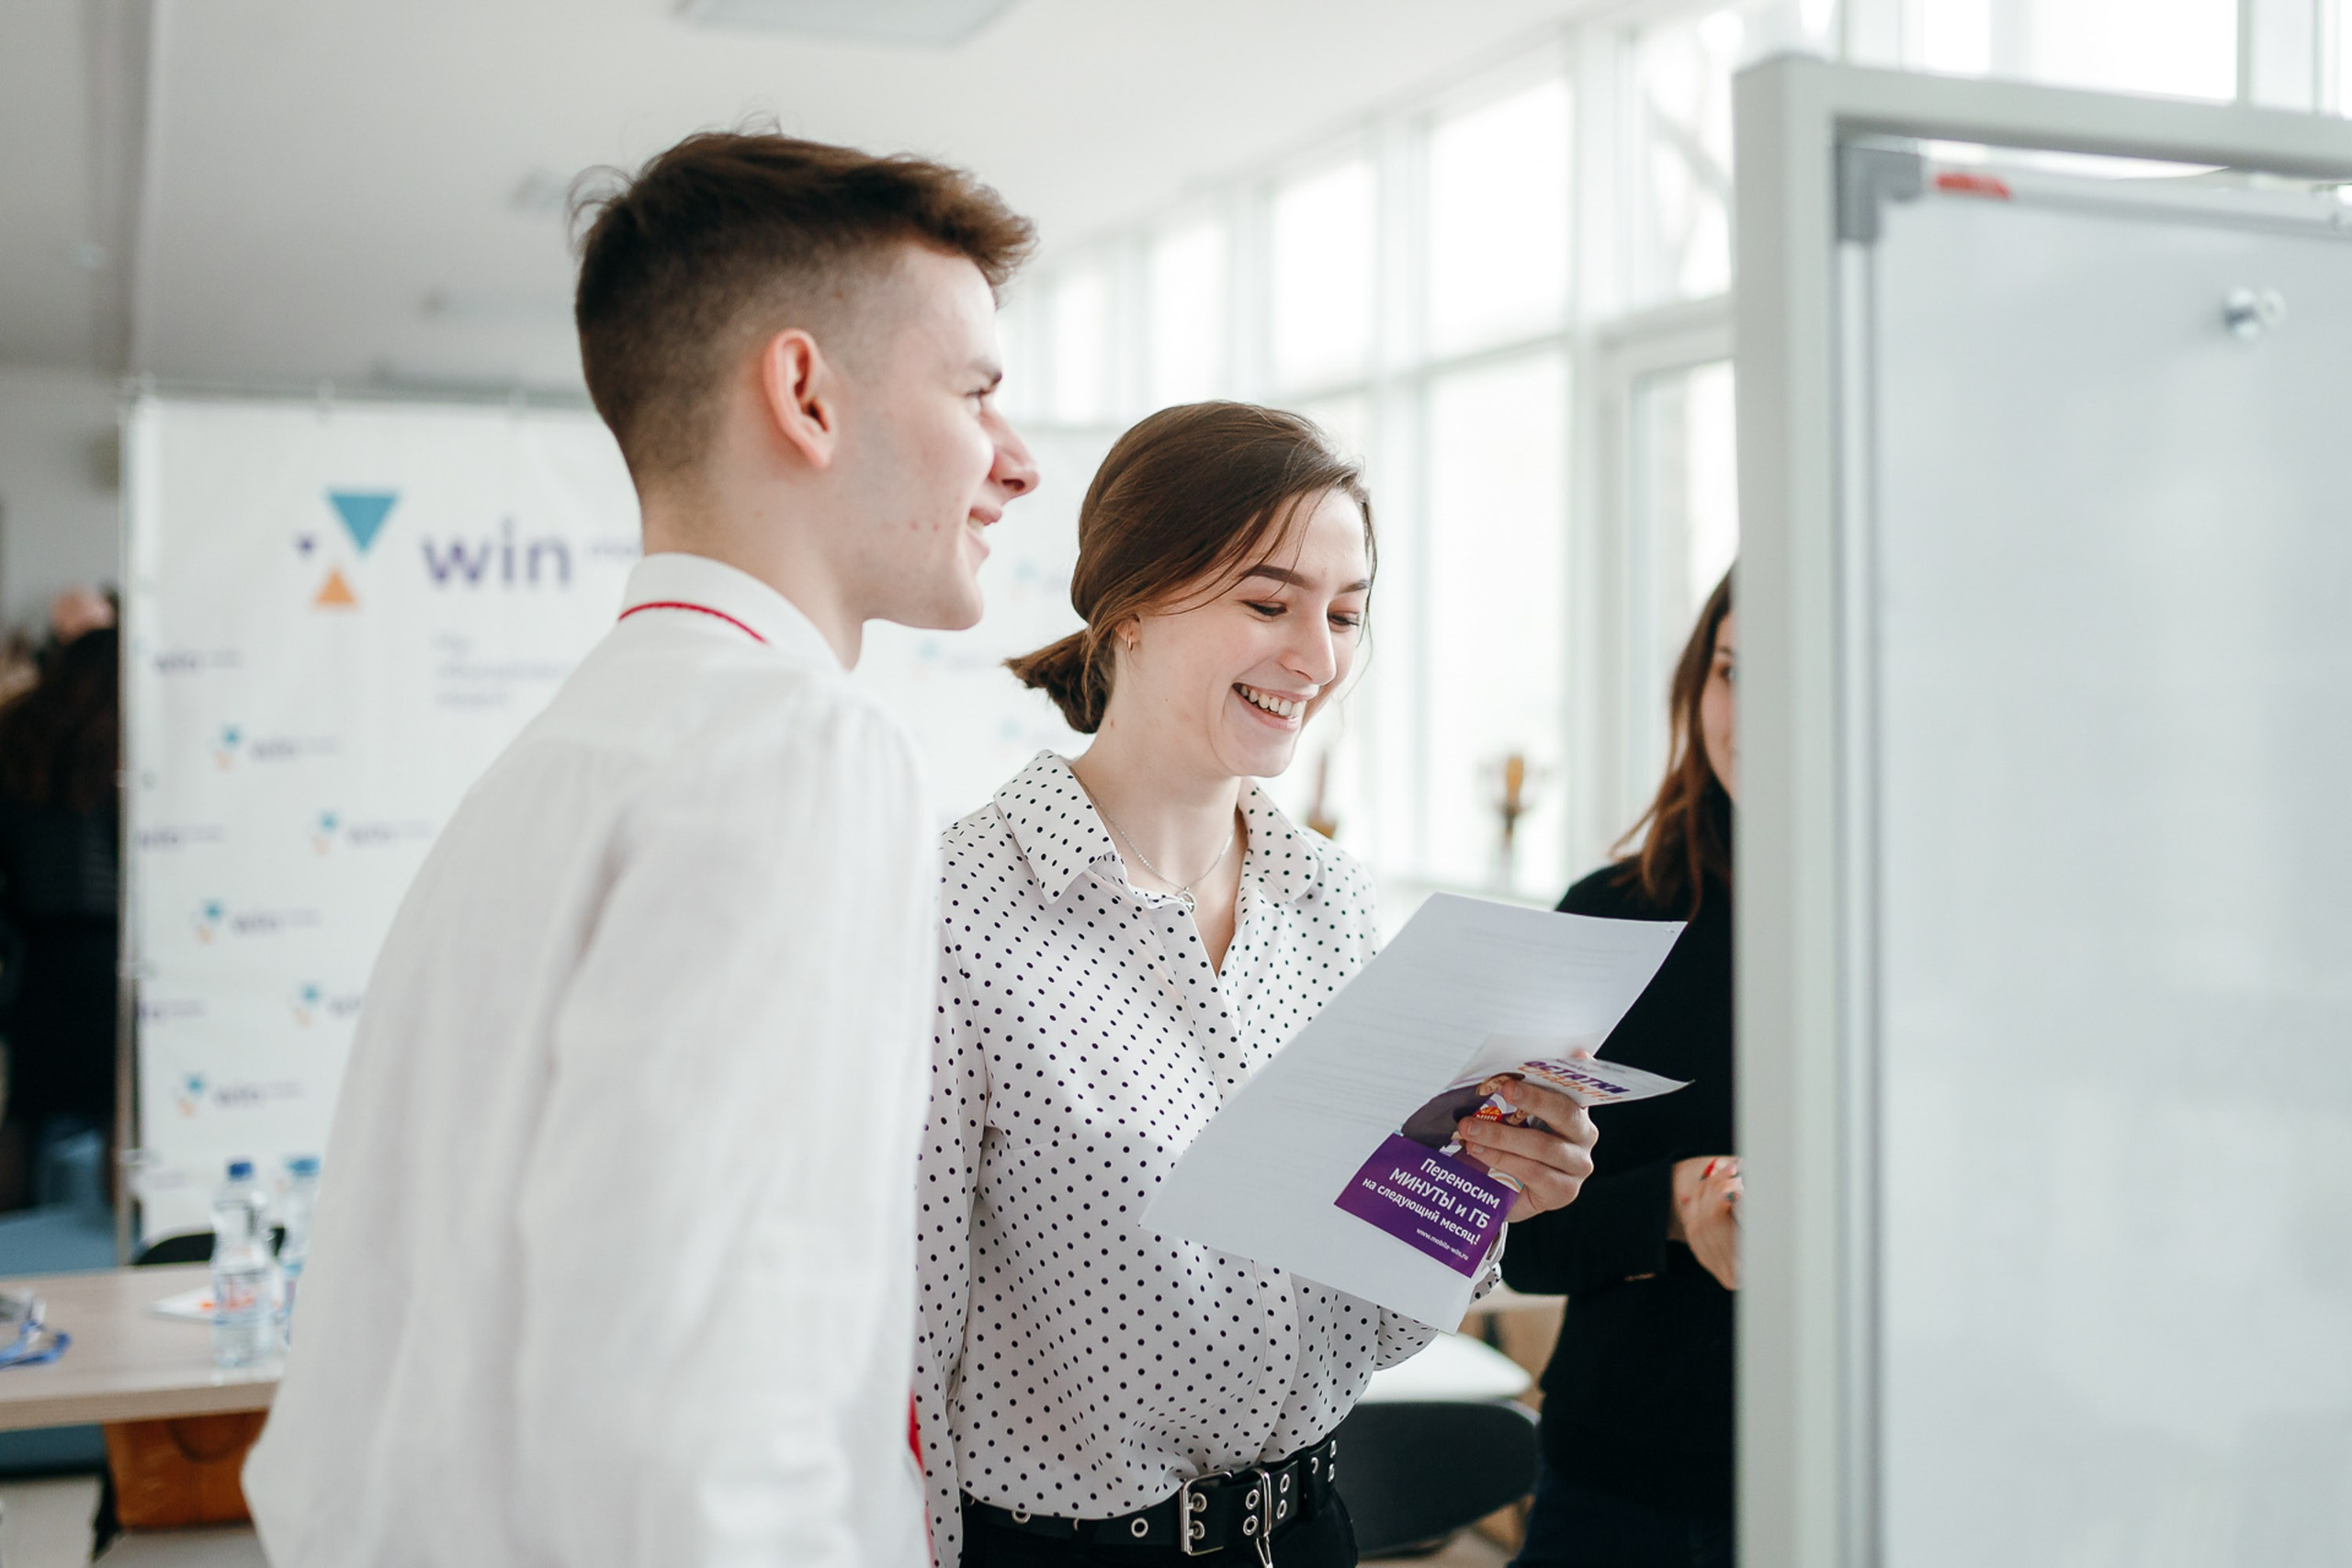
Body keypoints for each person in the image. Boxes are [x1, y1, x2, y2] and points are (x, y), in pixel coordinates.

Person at [243, 132, 1040, 1567]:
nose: (1017, 462)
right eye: (978, 392)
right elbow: (708, 1438)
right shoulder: (795, 752)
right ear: (804, 393)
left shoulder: (555, 764)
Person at [914, 402, 1603, 1568]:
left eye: (1343, 614)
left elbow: (1368, 1313)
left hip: (1311, 1531)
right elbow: (904, 1347)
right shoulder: (961, 910)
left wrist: (1484, 1197)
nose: (1319, 658)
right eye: (1268, 603)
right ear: (1130, 602)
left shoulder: (1326, 899)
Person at [1500, 570, 1739, 1568]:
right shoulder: (1613, 914)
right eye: (1731, 673)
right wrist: (1677, 1206)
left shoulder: (1944, 931)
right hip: (1623, 1479)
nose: (1752, 717)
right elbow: (1523, 1244)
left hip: (1883, 1458)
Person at [0, 622, 122, 1211]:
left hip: (33, 952)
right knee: (116, 1106)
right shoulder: (120, 743)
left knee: (24, 1109)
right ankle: (121, 1240)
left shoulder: (18, 732)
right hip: (109, 951)